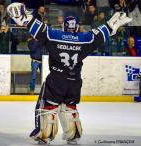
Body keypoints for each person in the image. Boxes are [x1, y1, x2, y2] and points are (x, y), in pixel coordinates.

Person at [7, 2, 132, 145]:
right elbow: (99, 35)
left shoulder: (55, 35)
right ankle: (74, 135)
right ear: (76, 26)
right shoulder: (85, 39)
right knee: (69, 107)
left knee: (48, 105)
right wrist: (110, 25)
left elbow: (39, 30)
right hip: (74, 82)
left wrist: (25, 20)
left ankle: (45, 135)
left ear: (64, 26)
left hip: (57, 80)